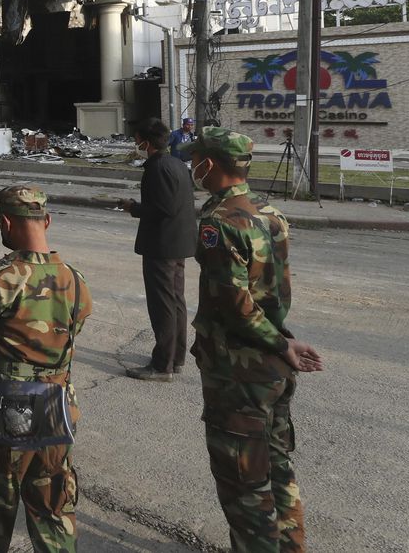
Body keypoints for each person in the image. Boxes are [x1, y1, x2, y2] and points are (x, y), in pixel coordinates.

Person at [186, 127, 323, 552]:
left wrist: (281, 344)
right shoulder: (271, 212)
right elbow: (278, 291)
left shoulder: (219, 222)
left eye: (197, 161)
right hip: (273, 367)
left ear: (209, 165)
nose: (193, 167)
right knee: (279, 470)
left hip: (239, 372)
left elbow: (236, 305)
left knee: (245, 488)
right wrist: (282, 342)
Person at [0, 185, 92, 553]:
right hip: (57, 405)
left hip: (6, 406)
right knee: (53, 504)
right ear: (46, 220)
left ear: (8, 223)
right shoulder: (76, 280)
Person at [119, 118, 197, 382]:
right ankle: (175, 357)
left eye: (137, 139)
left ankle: (162, 364)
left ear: (146, 142)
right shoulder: (176, 164)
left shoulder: (158, 168)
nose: (135, 144)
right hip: (176, 244)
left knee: (163, 305)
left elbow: (163, 208)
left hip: (162, 246)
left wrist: (133, 208)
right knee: (175, 302)